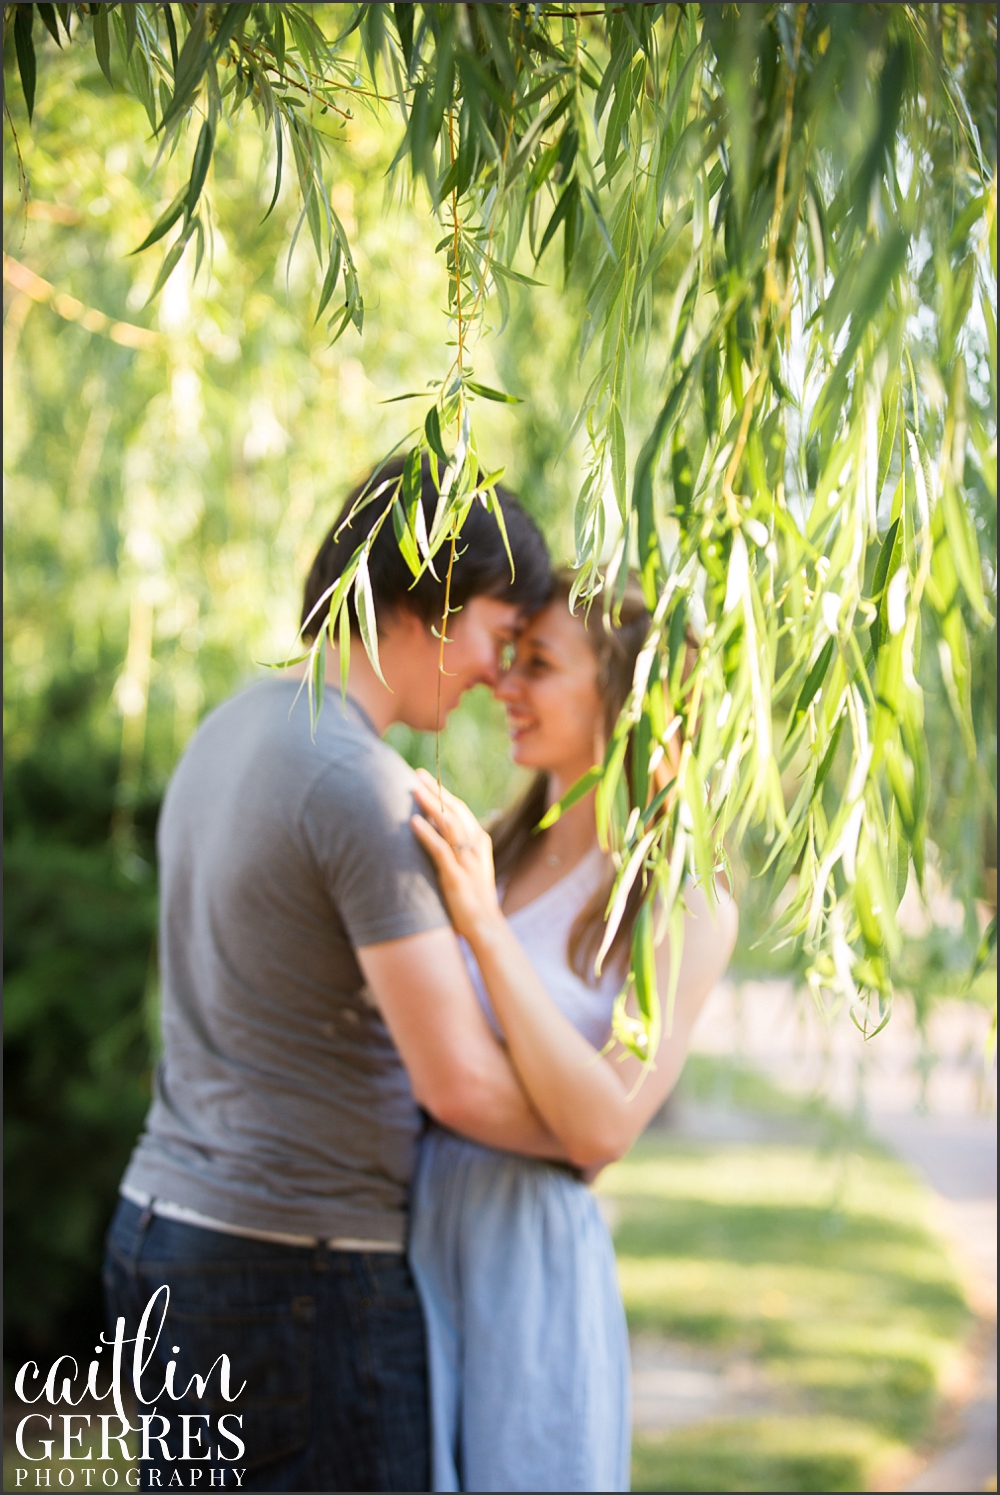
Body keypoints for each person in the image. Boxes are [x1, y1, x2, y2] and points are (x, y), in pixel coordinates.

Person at [103, 455, 563, 1493]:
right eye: (498, 634)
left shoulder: (234, 726)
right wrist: (589, 1136)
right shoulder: (359, 784)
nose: (499, 672)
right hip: (294, 1273)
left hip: (166, 1233)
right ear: (427, 602)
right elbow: (459, 1083)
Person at [409, 570, 739, 1493]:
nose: (503, 686)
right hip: (407, 1235)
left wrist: (479, 922)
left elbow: (604, 1126)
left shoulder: (683, 902)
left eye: (538, 664)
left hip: (529, 1265)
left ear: (624, 694)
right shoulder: (484, 846)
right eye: (507, 659)